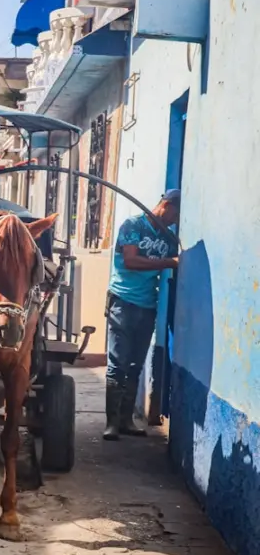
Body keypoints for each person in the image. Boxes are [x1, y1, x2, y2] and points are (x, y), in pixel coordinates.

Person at [104, 189, 181, 441]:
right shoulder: (133, 226)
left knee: (135, 365)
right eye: (175, 215)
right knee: (118, 364)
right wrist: (168, 262)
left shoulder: (168, 237)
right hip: (123, 302)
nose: (175, 221)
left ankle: (126, 420)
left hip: (147, 305)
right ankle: (111, 423)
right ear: (166, 205)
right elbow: (131, 261)